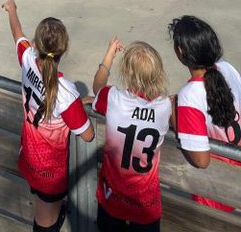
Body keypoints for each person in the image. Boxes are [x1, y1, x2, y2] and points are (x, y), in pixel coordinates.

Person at [2, 0, 94, 232]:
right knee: (46, 219)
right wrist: (78, 106)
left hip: (29, 154)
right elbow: (87, 135)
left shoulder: (27, 59)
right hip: (50, 170)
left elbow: (17, 33)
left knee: (43, 208)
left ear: (36, 44)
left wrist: (12, 10)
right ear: (64, 49)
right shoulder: (66, 93)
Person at [91, 38, 171, 232]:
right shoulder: (165, 106)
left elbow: (98, 87)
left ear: (126, 73)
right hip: (145, 202)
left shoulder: (113, 98)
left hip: (112, 196)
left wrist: (109, 55)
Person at [169, 15, 241, 211]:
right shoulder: (227, 69)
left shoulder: (189, 96)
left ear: (180, 51)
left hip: (216, 189)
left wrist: (174, 116)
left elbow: (201, 160)